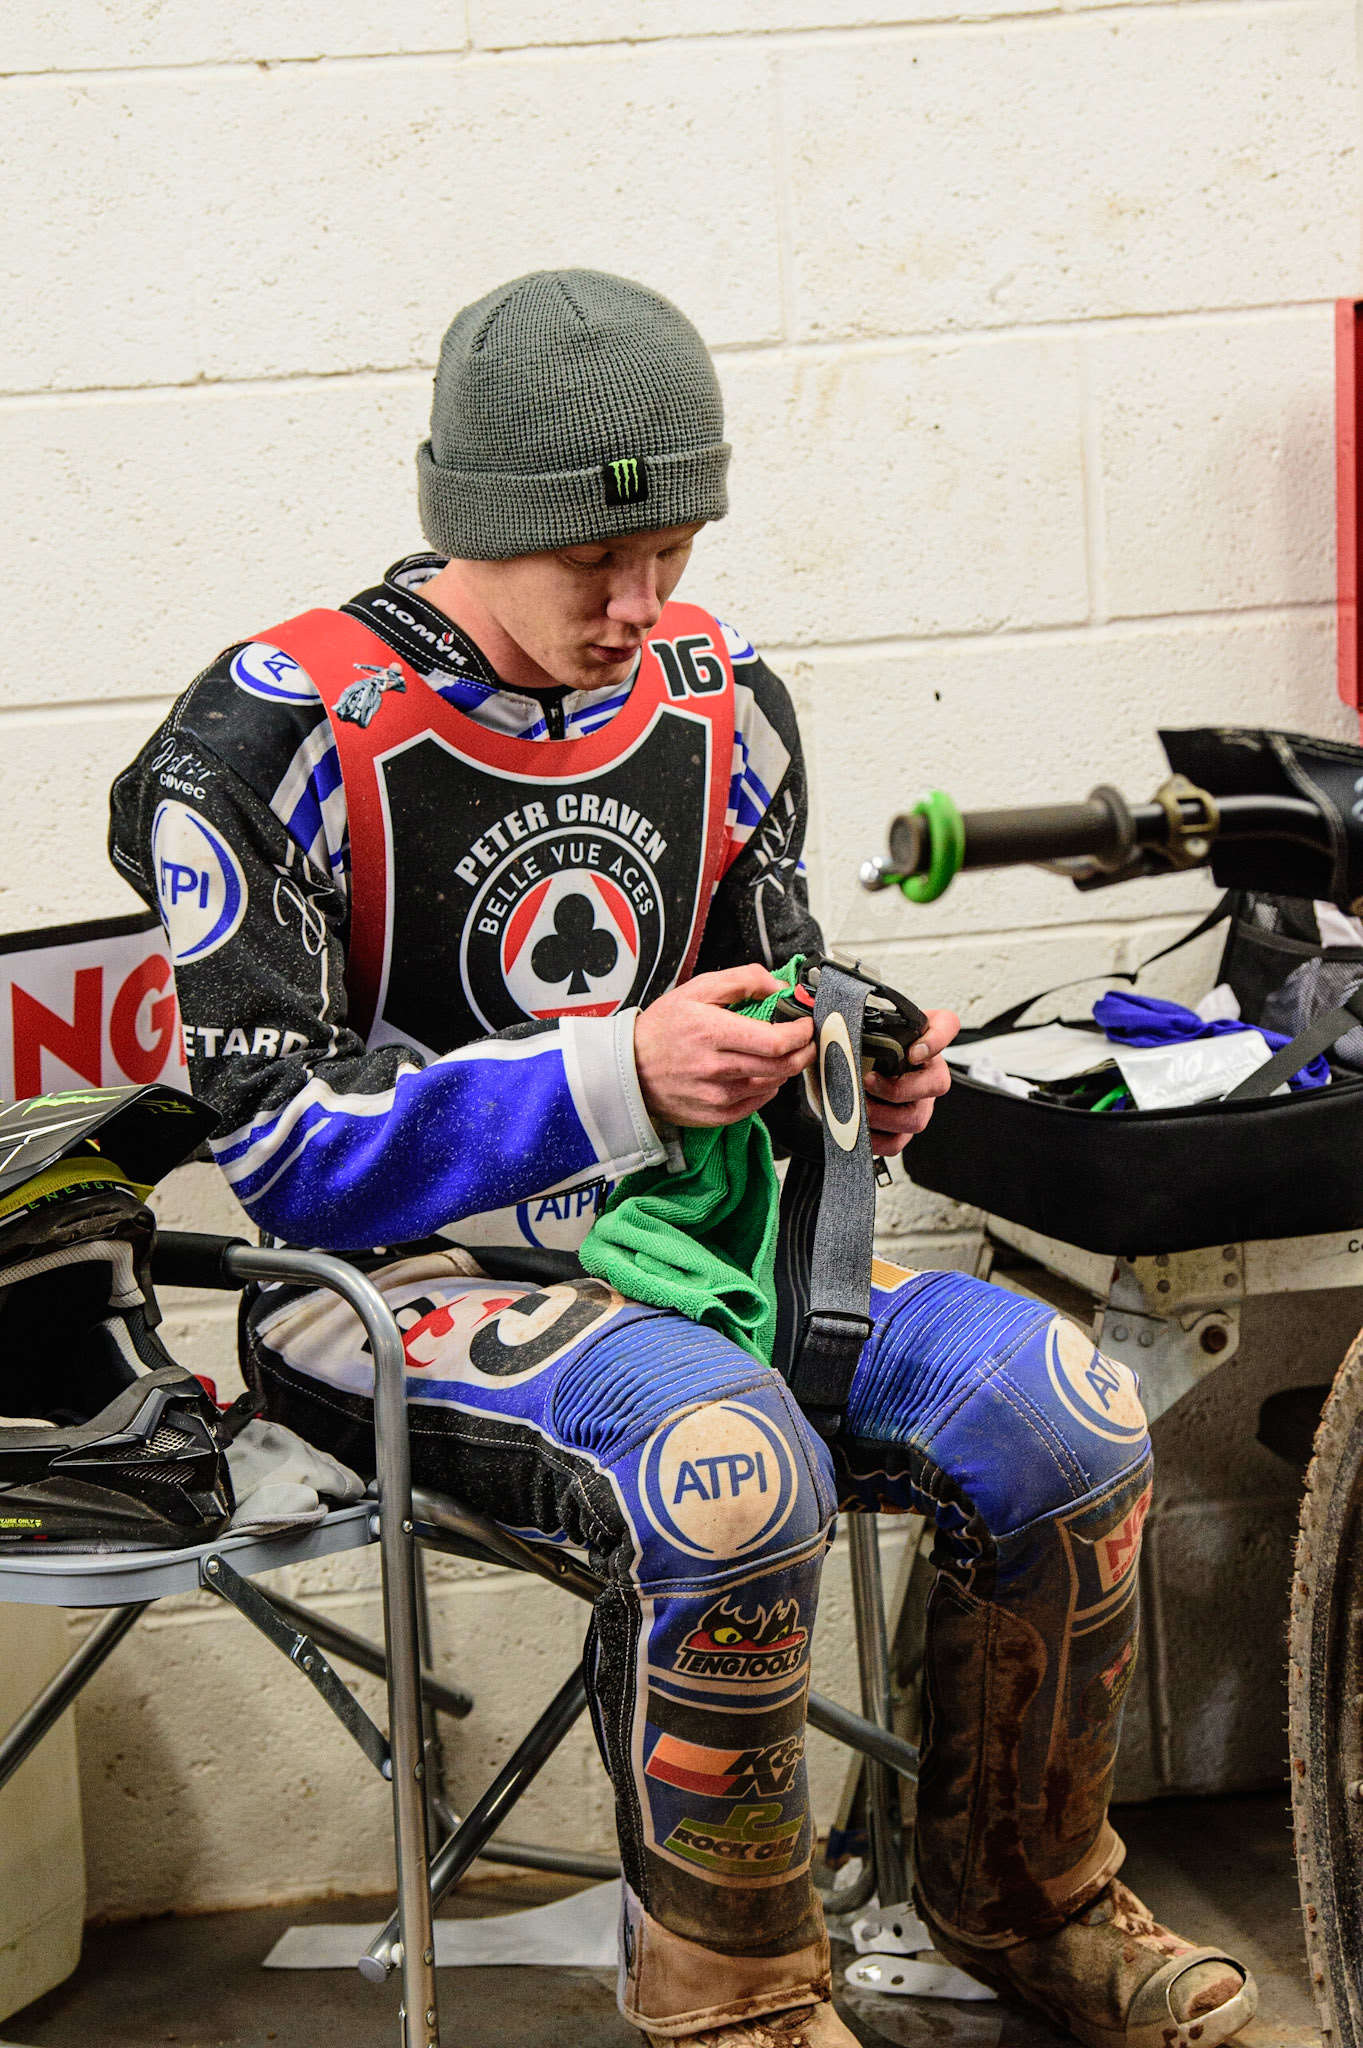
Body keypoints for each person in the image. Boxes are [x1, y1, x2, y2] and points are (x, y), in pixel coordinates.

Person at [109, 269, 1255, 2048]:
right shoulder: (273, 739)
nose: (647, 605)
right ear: (475, 526)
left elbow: (760, 978)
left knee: (1070, 1414)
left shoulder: (723, 703)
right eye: (599, 567)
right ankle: (732, 1997)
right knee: (730, 1465)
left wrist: (853, 1070)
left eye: (679, 550)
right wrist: (620, 1074)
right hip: (394, 1292)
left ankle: (1032, 1907)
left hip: (703, 1252)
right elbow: (279, 1164)